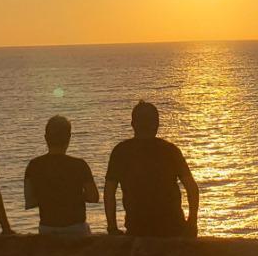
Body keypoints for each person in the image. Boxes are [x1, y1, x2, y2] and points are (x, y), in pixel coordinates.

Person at [104, 101, 199, 237]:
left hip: (137, 228)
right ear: (157, 124)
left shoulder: (121, 152)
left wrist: (112, 228)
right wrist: (192, 223)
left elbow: (109, 192)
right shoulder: (170, 150)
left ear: (133, 124)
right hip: (172, 227)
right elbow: (192, 189)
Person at [24, 115, 100, 235]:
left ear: (46, 138)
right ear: (68, 138)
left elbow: (30, 201)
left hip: (47, 227)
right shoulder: (79, 165)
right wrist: (75, 196)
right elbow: (93, 197)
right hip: (75, 227)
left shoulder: (33, 165)